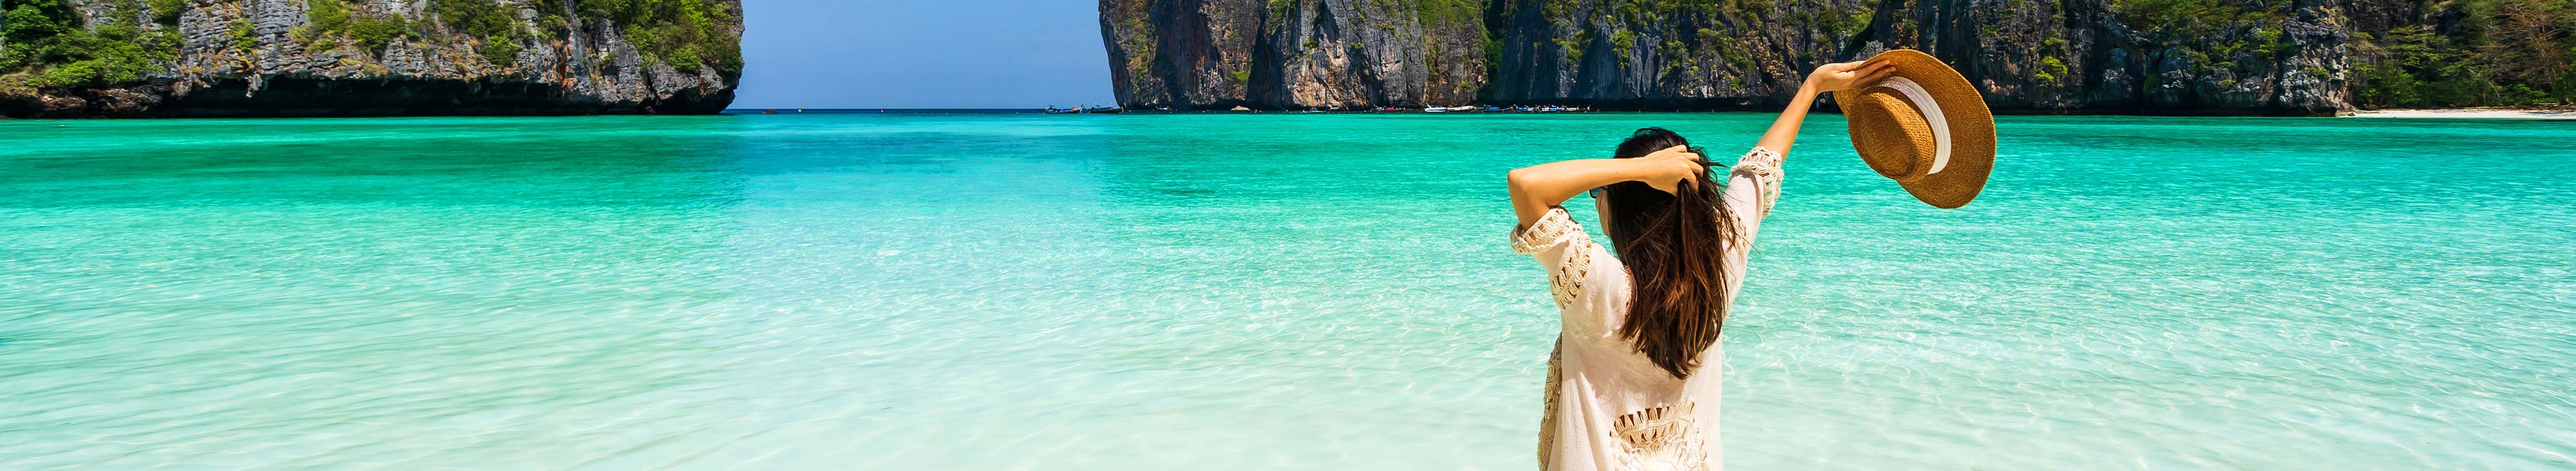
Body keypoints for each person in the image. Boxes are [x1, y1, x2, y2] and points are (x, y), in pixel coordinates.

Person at [1505, 59, 1895, 470]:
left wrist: (1638, 170)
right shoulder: (1718, 269)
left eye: (1603, 191)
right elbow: (1757, 170)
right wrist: (1812, 87)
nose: (1598, 198)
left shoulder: (1598, 289)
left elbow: (1526, 185)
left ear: (1625, 205)